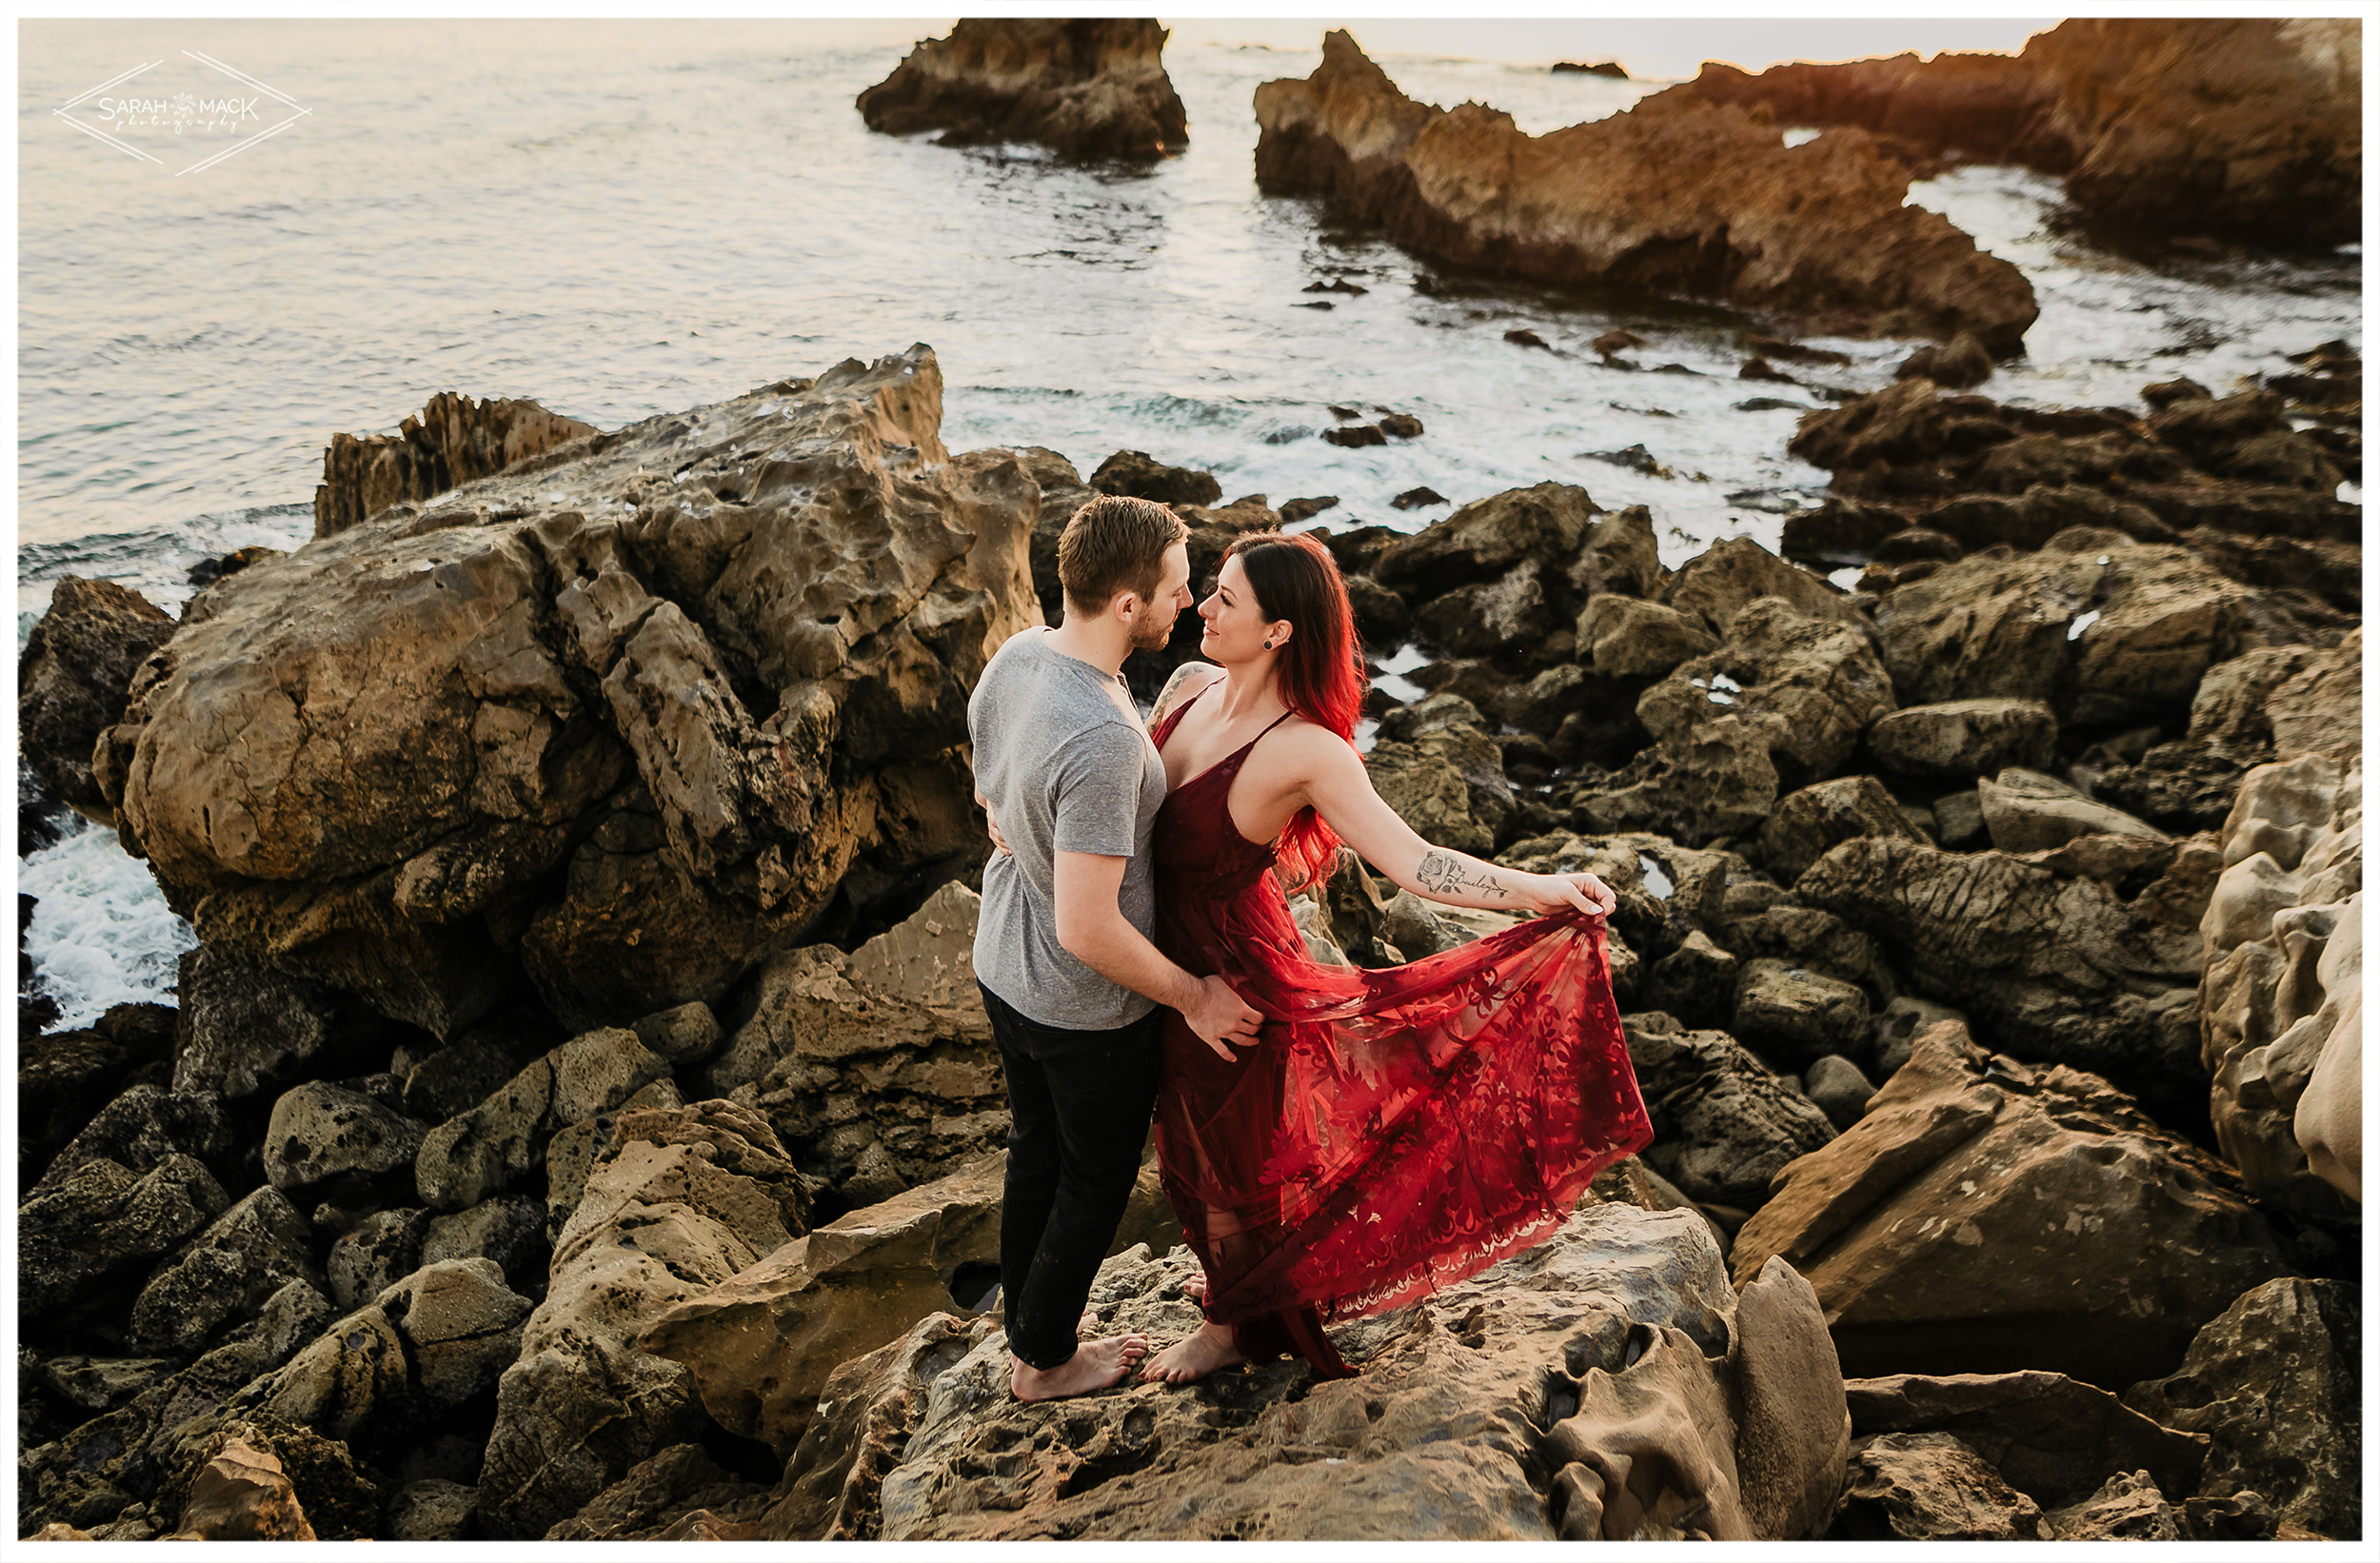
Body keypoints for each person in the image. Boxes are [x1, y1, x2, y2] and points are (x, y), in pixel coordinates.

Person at [1134, 531, 1653, 1385]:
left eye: (1226, 597)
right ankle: (1240, 1298)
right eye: (1210, 590)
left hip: (1236, 974)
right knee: (1184, 1147)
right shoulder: (1189, 689)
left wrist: (1541, 889)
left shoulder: (1305, 750)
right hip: (1165, 962)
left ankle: (1230, 1327)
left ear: (1279, 632)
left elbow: (1412, 863)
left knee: (1221, 1157)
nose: (1202, 607)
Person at [967, 493, 1265, 1403]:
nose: (1189, 605)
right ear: (1129, 603)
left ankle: (1031, 1325)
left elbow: (986, 775)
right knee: (1091, 1182)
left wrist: (1012, 827)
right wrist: (1194, 997)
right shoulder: (1103, 740)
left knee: (1036, 1152)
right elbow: (1089, 928)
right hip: (1078, 1005)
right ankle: (1046, 1363)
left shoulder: (1021, 654)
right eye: (1178, 588)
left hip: (1002, 967)